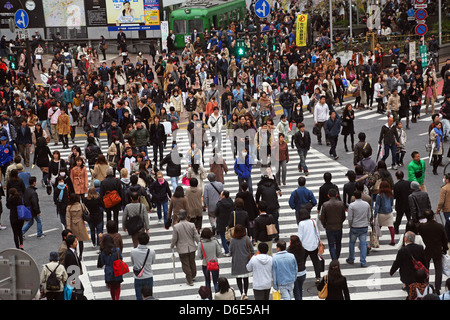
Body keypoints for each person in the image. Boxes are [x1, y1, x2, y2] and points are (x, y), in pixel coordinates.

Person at [418, 209, 449, 295]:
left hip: (426, 250)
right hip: (437, 250)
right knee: (438, 269)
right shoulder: (439, 226)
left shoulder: (422, 227)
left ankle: (426, 286)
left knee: (426, 269)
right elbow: (444, 239)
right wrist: (445, 249)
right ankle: (437, 288)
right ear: (433, 216)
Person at [170, 209, 200, 286]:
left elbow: (174, 238)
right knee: (192, 262)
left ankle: (189, 279)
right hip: (191, 247)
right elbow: (196, 236)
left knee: (185, 264)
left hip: (182, 248)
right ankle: (193, 275)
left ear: (179, 216)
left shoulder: (176, 227)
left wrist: (172, 245)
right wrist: (199, 243)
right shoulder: (192, 225)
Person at [229, 224, 254, 300]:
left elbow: (230, 251)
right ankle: (245, 293)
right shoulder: (246, 238)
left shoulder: (233, 240)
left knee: (238, 278)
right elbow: (252, 250)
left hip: (236, 261)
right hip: (246, 261)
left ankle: (241, 292)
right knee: (246, 278)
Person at [297, 208, 321, 285]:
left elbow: (300, 236)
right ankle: (318, 277)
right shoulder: (313, 221)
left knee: (302, 262)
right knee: (315, 261)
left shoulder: (301, 224)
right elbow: (317, 232)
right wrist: (318, 242)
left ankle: (301, 276)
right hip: (314, 245)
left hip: (304, 246)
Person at [320, 188, 346, 261]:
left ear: (328, 196)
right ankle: (336, 257)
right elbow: (343, 216)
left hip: (329, 227)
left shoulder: (325, 205)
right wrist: (340, 222)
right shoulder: (341, 204)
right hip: (338, 226)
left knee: (331, 245)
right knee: (338, 244)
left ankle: (334, 259)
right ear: (336, 195)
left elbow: (322, 218)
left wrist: (325, 225)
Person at [130, 232, 156, 300]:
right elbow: (152, 262)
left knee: (139, 297)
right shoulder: (152, 252)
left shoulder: (133, 251)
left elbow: (133, 263)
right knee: (149, 297)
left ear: (138, 240)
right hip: (148, 276)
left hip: (138, 277)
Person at [97, 234, 124, 300]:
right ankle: (117, 298)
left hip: (108, 270)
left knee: (112, 286)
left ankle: (113, 298)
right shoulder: (117, 250)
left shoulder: (104, 252)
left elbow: (102, 262)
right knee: (118, 286)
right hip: (117, 269)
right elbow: (120, 258)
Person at [197, 227, 222, 294]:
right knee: (216, 281)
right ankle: (217, 295)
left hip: (205, 264)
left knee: (207, 281)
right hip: (214, 263)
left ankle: (208, 296)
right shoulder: (215, 242)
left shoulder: (200, 244)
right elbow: (219, 253)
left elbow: (199, 256)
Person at [66, 193, 90, 260]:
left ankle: (75, 253)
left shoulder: (69, 207)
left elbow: (68, 218)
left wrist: (68, 229)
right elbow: (87, 212)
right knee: (80, 241)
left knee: (73, 241)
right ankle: (81, 254)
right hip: (81, 224)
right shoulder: (81, 206)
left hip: (73, 225)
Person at [374, 181, 396, 246]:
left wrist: (375, 215)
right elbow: (392, 203)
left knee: (378, 227)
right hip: (389, 213)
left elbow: (377, 206)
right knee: (391, 227)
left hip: (381, 213)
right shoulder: (390, 194)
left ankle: (376, 240)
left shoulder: (379, 195)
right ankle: (392, 240)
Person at [63, 234, 85, 299]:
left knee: (80, 291)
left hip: (74, 277)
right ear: (71, 244)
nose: (77, 243)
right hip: (73, 278)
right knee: (78, 292)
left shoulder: (72, 252)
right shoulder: (69, 254)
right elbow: (69, 269)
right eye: (75, 242)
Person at [215, 190, 234, 256]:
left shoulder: (219, 204)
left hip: (221, 222)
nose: (220, 195)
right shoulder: (231, 202)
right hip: (230, 222)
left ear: (223, 196)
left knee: (223, 237)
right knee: (230, 236)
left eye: (221, 194)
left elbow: (216, 213)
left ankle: (227, 251)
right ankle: (231, 250)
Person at [436, 173, 450, 242]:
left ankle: (446, 237)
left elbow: (441, 201)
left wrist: (438, 210)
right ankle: (446, 237)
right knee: (448, 224)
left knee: (448, 223)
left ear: (447, 180)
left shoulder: (444, 188)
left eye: (444, 178)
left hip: (447, 209)